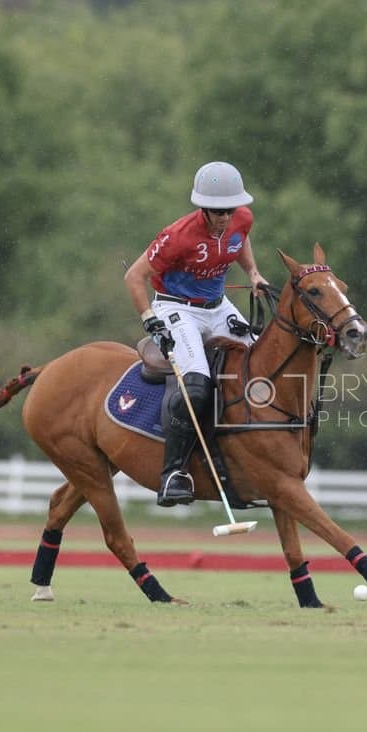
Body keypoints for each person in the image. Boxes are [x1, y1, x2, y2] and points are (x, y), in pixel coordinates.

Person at [123, 161, 267, 506]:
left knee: (263, 365)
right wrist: (149, 318)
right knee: (197, 385)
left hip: (218, 306)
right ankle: (173, 472)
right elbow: (133, 276)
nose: (224, 218)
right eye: (217, 212)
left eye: (228, 210)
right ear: (202, 207)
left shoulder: (241, 219)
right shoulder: (177, 236)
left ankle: (250, 457)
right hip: (178, 308)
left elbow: (239, 242)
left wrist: (253, 273)